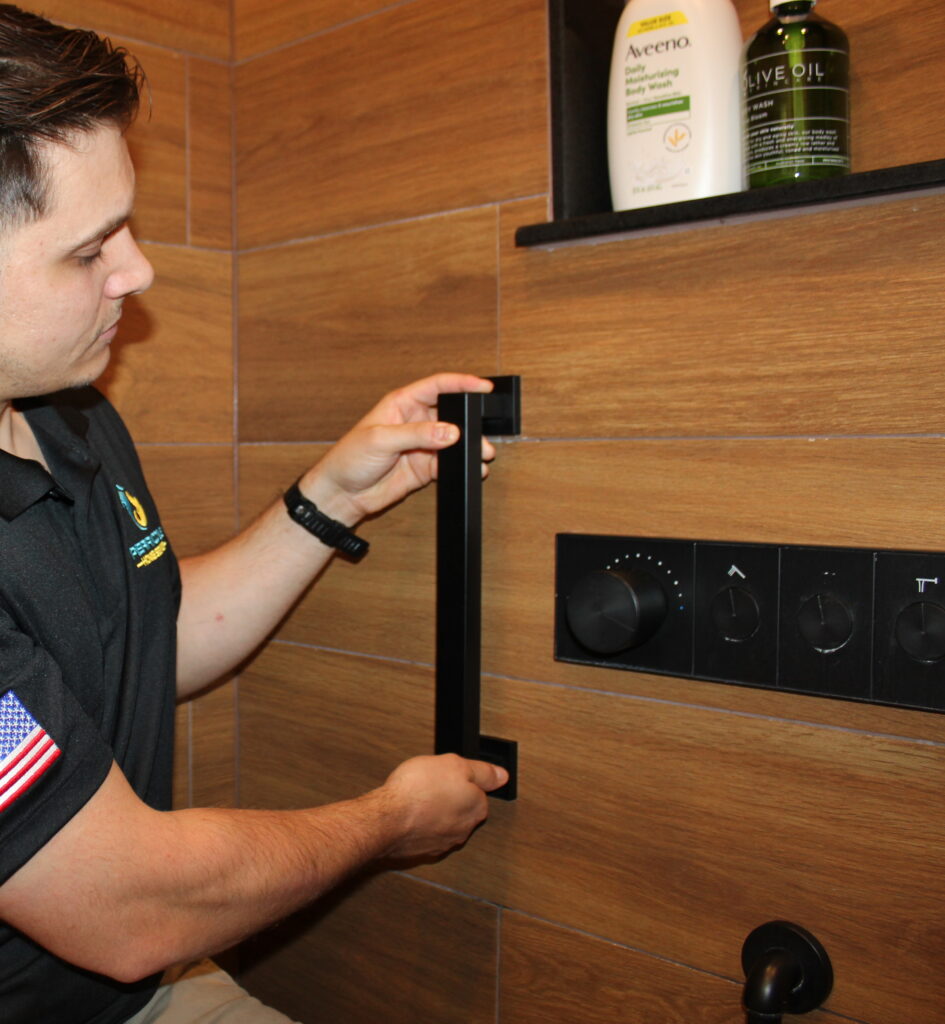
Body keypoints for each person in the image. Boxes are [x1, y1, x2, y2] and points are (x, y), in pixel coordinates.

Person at [0, 6, 507, 1022]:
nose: (138, 271)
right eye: (89, 250)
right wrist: (391, 821)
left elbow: (150, 636)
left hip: (134, 991)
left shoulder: (71, 418)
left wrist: (330, 500)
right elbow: (130, 903)